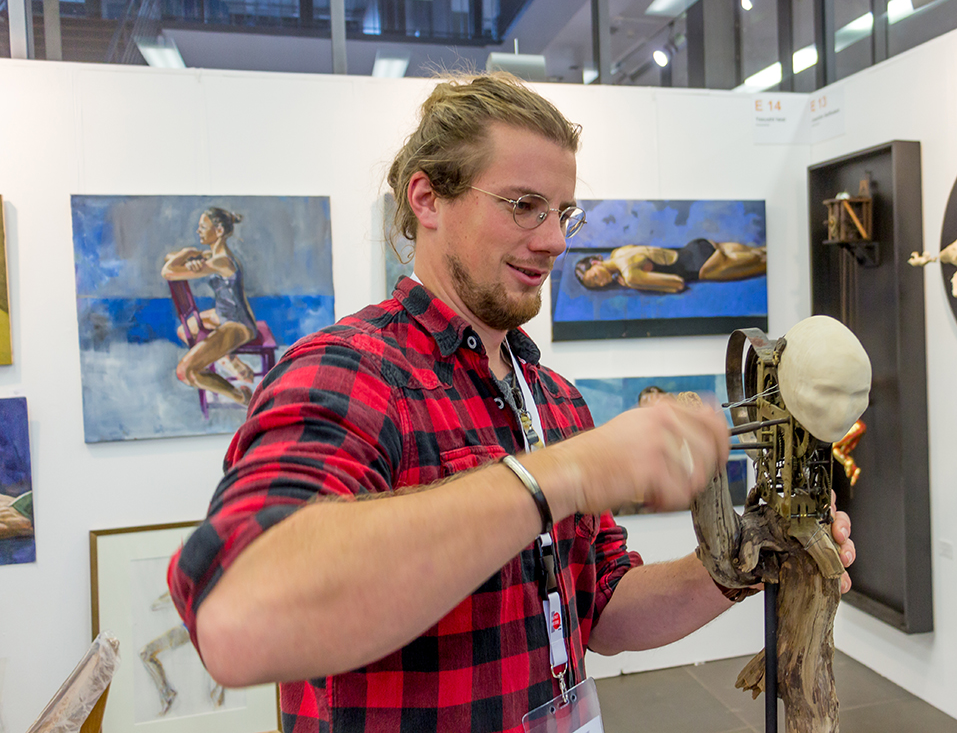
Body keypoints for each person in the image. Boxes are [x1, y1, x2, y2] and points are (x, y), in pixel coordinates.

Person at [167, 73, 855, 733]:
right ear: (427, 199)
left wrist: (745, 559)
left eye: (562, 213)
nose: (554, 240)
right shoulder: (348, 372)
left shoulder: (553, 399)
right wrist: (565, 474)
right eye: (523, 205)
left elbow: (601, 608)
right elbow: (236, 622)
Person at [162, 208, 258, 406]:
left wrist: (186, 253)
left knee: (185, 372)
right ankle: (228, 359)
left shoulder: (221, 261)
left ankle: (241, 397)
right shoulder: (213, 256)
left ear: (219, 230)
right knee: (184, 330)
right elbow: (169, 258)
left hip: (238, 324)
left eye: (203, 227)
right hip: (222, 315)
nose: (198, 231)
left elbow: (168, 272)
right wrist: (191, 257)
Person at [574, 240, 767, 293]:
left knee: (763, 264)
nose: (601, 283)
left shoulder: (630, 276)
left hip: (701, 267)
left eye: (595, 277)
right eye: (596, 285)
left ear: (595, 263)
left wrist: (635, 285)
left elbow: (676, 283)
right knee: (762, 251)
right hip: (696, 246)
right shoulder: (619, 251)